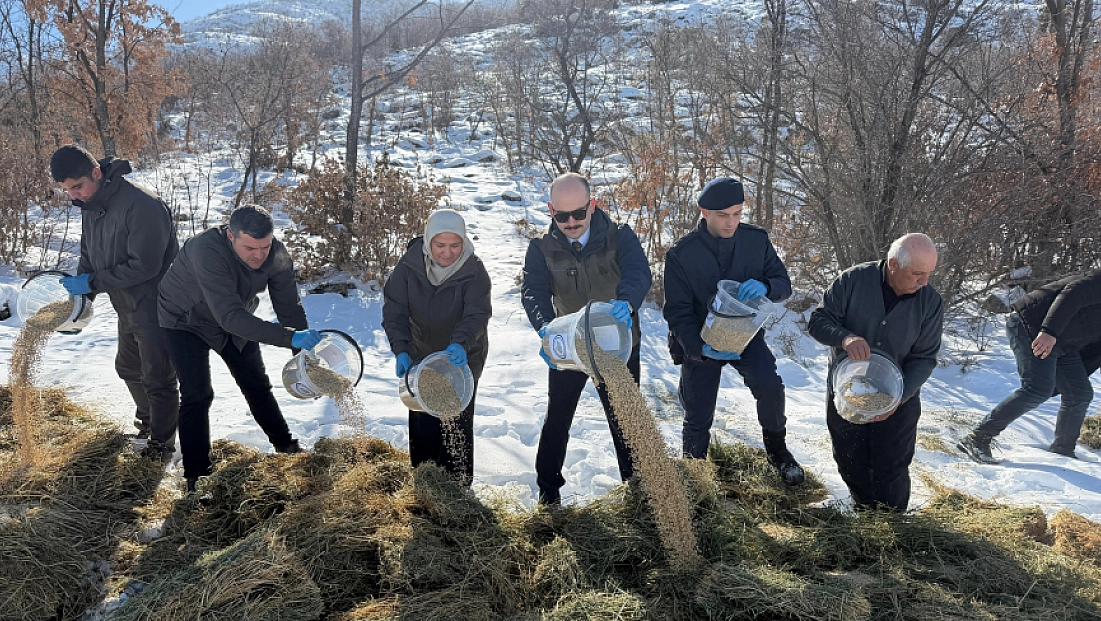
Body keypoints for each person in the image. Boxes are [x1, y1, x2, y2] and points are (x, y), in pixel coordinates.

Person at [158, 205, 321, 492]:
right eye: (250, 248)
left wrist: (302, 353)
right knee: (197, 394)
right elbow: (229, 317)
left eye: (265, 247)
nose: (259, 256)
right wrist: (288, 338)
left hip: (233, 317)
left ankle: (286, 446)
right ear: (231, 236)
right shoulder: (206, 250)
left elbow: (288, 307)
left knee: (256, 384)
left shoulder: (276, 254)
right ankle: (197, 476)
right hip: (184, 319)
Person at [663, 177, 805, 485]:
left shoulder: (755, 241)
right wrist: (697, 348)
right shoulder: (681, 254)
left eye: (737, 214)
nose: (731, 222)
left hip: (745, 333)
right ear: (704, 213)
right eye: (723, 215)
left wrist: (766, 286)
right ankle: (694, 472)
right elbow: (676, 312)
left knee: (770, 386)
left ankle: (778, 451)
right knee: (698, 413)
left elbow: (783, 283)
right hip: (700, 337)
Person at [521, 172, 652, 505]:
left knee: (626, 419)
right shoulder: (541, 248)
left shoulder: (619, 236)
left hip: (617, 343)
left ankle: (637, 489)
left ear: (592, 205)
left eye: (579, 213)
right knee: (558, 417)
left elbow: (638, 272)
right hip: (570, 344)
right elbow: (533, 292)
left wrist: (627, 301)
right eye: (562, 216)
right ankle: (548, 492)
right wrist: (546, 328)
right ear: (551, 211)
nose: (571, 222)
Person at [50, 144, 179, 462]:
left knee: (158, 378)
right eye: (67, 190)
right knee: (129, 367)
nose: (74, 195)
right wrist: (80, 299)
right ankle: (148, 426)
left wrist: (93, 283)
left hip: (159, 304)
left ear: (96, 173)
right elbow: (88, 255)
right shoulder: (91, 204)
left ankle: (161, 447)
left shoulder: (142, 205)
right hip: (128, 303)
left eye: (77, 186)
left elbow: (145, 266)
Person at [808, 233, 943, 512]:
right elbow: (819, 321)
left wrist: (900, 398)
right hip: (848, 389)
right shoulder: (852, 281)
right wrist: (844, 338)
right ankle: (863, 509)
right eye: (917, 274)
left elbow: (924, 357)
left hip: (899, 392)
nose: (924, 282)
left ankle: (892, 519)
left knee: (892, 463)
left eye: (929, 274)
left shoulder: (929, 302)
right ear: (893, 265)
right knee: (849, 456)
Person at [383, 209, 492, 485]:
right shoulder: (409, 268)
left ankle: (458, 486)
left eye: (455, 245)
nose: (447, 252)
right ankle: (425, 480)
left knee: (456, 417)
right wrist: (401, 349)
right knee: (423, 417)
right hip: (422, 354)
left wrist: (460, 344)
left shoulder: (474, 271)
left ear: (464, 242)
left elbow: (476, 315)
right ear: (428, 240)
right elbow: (394, 311)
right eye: (440, 245)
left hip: (461, 356)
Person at [958, 269, 1101, 463]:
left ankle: (1063, 452)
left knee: (1079, 393)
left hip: (1064, 343)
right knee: (1037, 389)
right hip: (1034, 326)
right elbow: (1074, 292)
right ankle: (978, 438)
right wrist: (1049, 330)